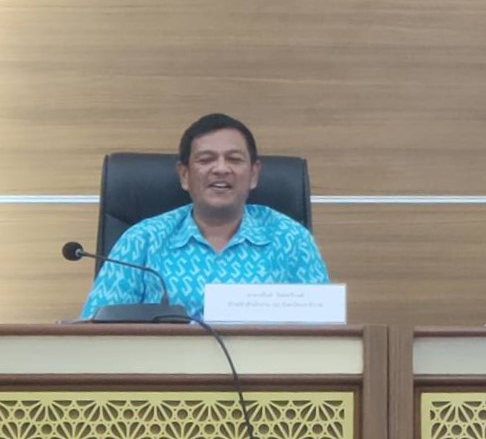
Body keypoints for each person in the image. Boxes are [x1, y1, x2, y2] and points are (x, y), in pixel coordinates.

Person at [80, 113, 329, 320]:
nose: (221, 169)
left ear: (254, 174)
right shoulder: (142, 240)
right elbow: (96, 332)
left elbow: (324, 334)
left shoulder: (291, 239)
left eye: (234, 159)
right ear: (184, 175)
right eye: (206, 159)